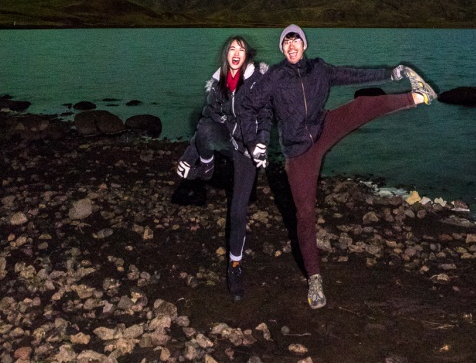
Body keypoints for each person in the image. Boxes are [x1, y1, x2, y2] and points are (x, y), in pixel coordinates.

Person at [237, 24, 436, 309]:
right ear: (282, 48)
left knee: (361, 107)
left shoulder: (320, 69)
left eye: (296, 41)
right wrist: (255, 138)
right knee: (304, 213)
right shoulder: (275, 77)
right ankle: (314, 278)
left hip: (323, 128)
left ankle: (417, 96)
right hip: (298, 152)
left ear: (304, 45)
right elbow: (247, 105)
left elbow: (352, 74)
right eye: (286, 42)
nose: (292, 46)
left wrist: (389, 73)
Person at [175, 35, 269, 301]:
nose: (236, 53)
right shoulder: (218, 86)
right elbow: (207, 121)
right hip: (228, 140)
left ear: (247, 55)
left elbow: (265, 116)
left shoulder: (256, 83)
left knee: (237, 213)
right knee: (204, 126)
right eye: (231, 49)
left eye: (241, 49)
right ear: (226, 55)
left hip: (247, 151)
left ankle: (235, 267)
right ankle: (207, 167)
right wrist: (189, 156)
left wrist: (261, 144)